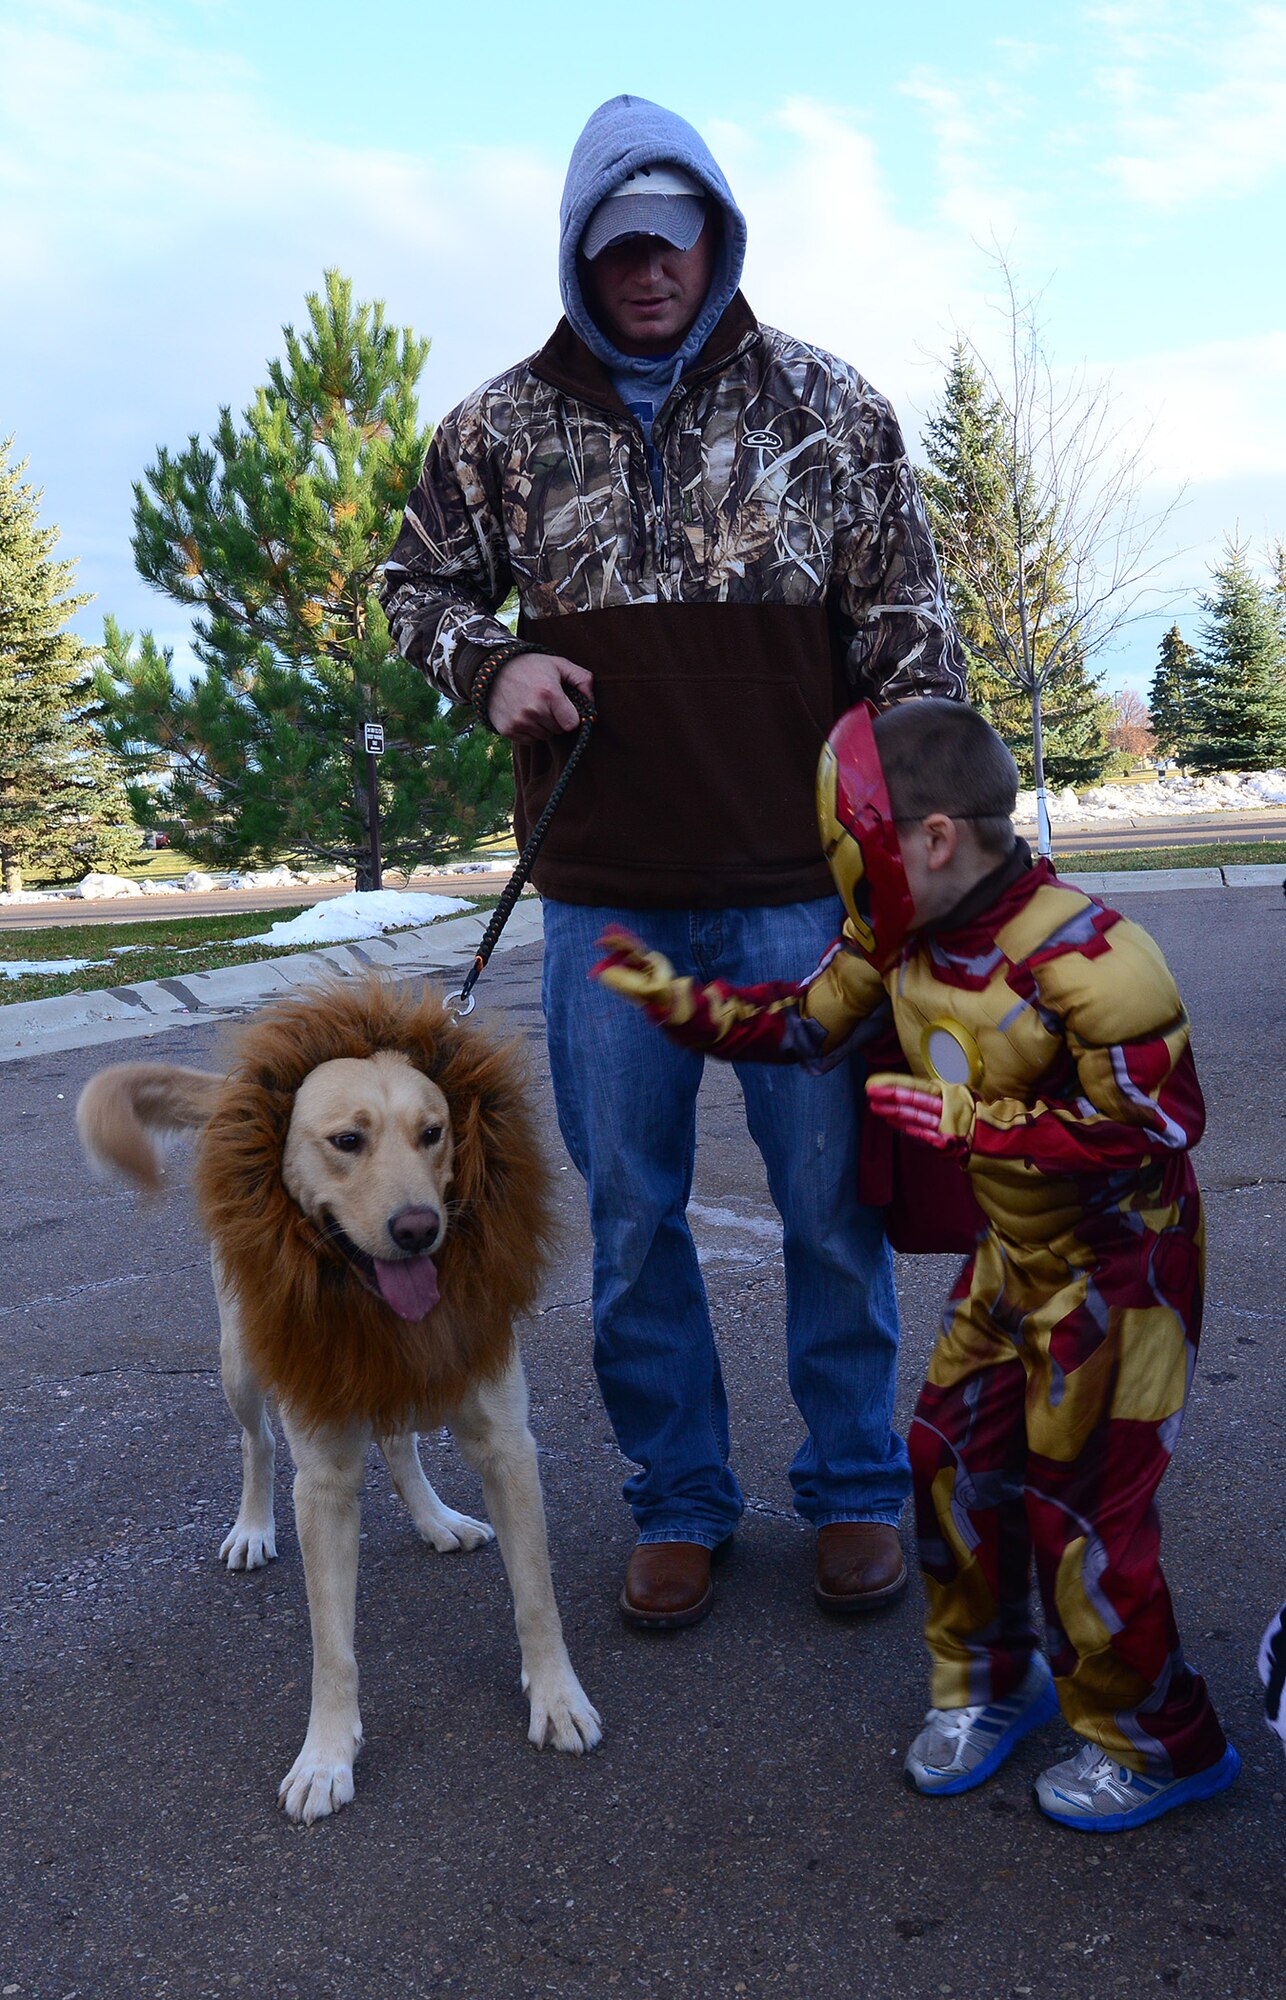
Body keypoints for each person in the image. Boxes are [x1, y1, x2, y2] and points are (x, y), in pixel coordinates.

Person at [379, 94, 966, 1630]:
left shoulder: (828, 408)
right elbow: (408, 583)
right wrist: (487, 665)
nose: (648, 268)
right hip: (604, 900)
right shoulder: (500, 428)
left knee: (830, 1206)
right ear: (581, 250)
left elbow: (911, 632)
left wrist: (931, 845)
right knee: (631, 1221)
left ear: (714, 230)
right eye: (617, 242)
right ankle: (680, 1501)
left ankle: (849, 1490)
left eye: (671, 234)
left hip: (798, 890)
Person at [594, 697, 1240, 1830]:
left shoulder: (1089, 957)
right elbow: (801, 1021)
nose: (839, 862)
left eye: (851, 837)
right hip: (1014, 1258)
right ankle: (991, 1680)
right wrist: (679, 1003)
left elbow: (1158, 1127)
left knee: (1078, 1512)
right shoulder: (895, 941)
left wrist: (977, 1121)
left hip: (1121, 1271)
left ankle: (1157, 1737)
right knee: (944, 1464)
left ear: (931, 838)